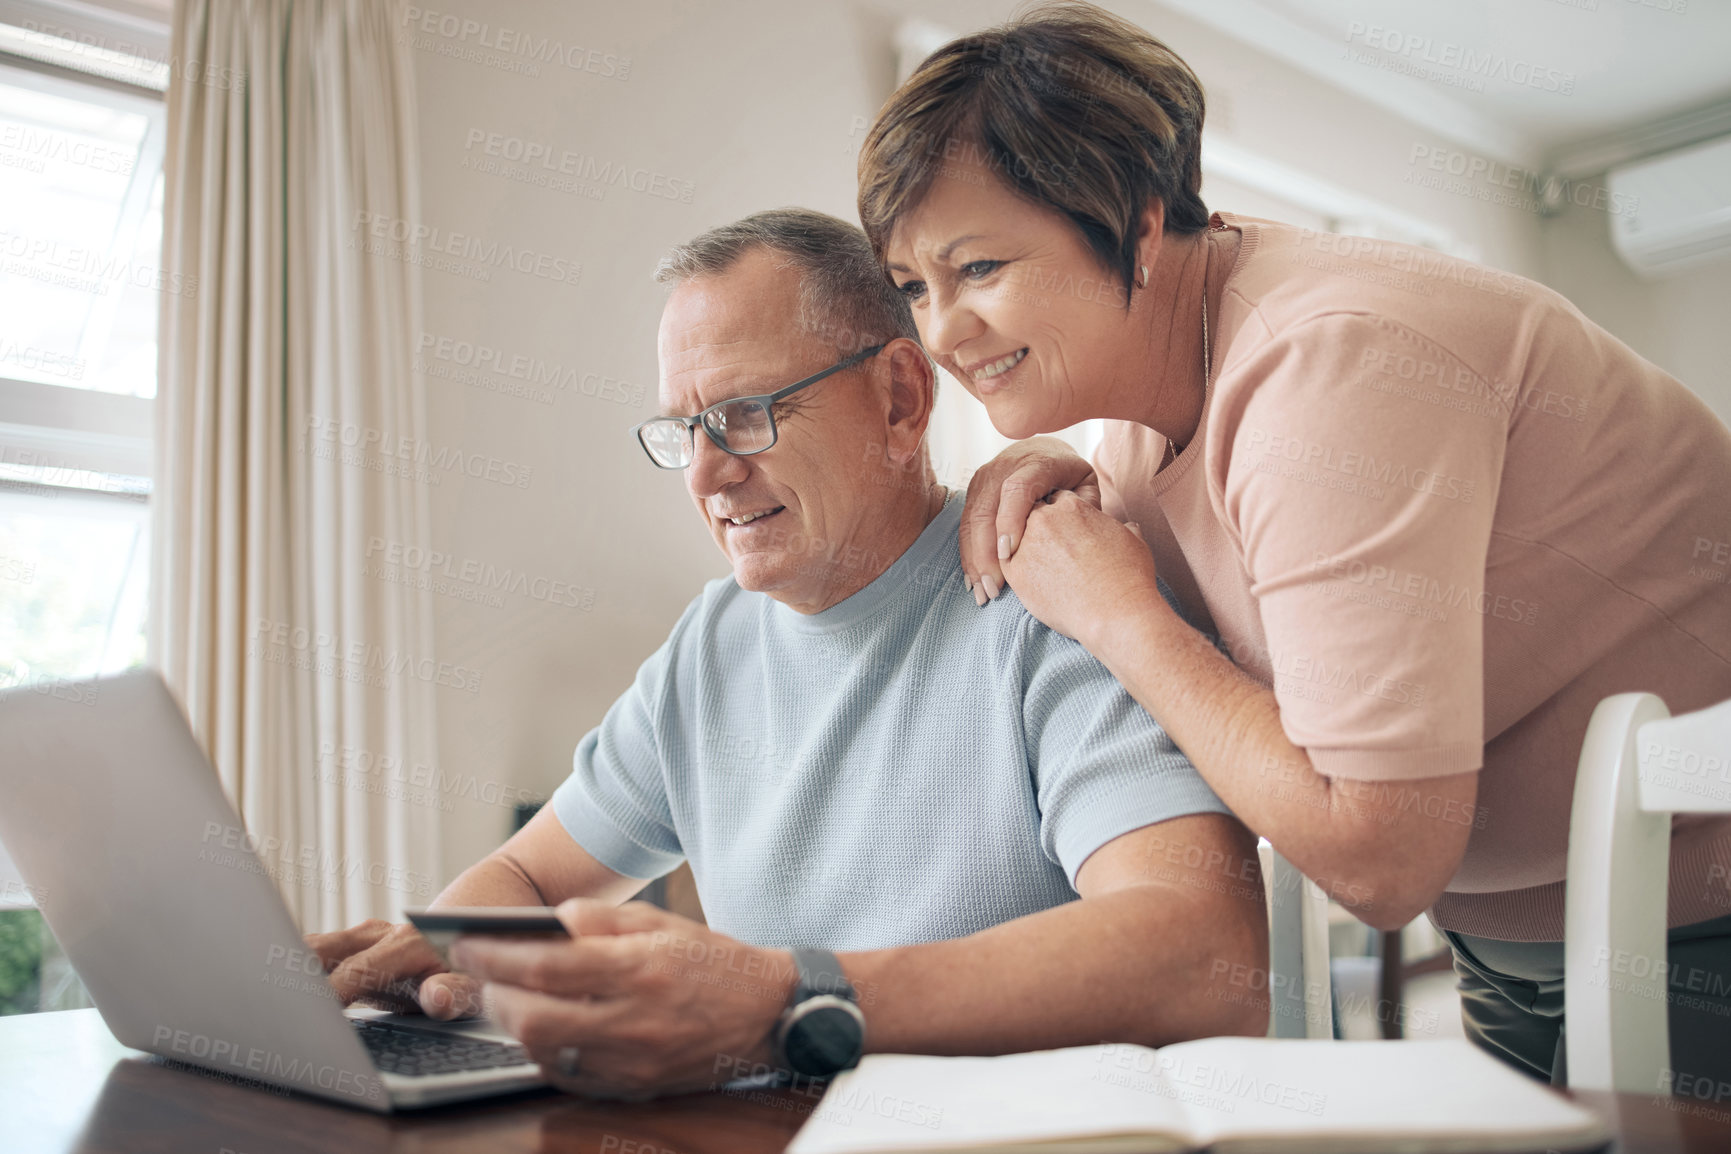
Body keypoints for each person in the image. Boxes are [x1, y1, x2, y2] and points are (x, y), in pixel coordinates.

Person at [855, 1, 1731, 1086]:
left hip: (1695, 927)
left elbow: (1378, 852)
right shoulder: (1135, 416)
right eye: (912, 287)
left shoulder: (1331, 367)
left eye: (978, 267)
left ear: (1134, 225)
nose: (941, 332)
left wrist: (1120, 612)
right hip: (1521, 939)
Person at [308, 208, 1267, 1099]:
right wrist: (440, 958)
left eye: (744, 415)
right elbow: (523, 880)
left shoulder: (1052, 590)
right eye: (684, 431)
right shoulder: (711, 643)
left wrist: (784, 1000)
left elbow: (1205, 962)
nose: (708, 474)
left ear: (899, 397)